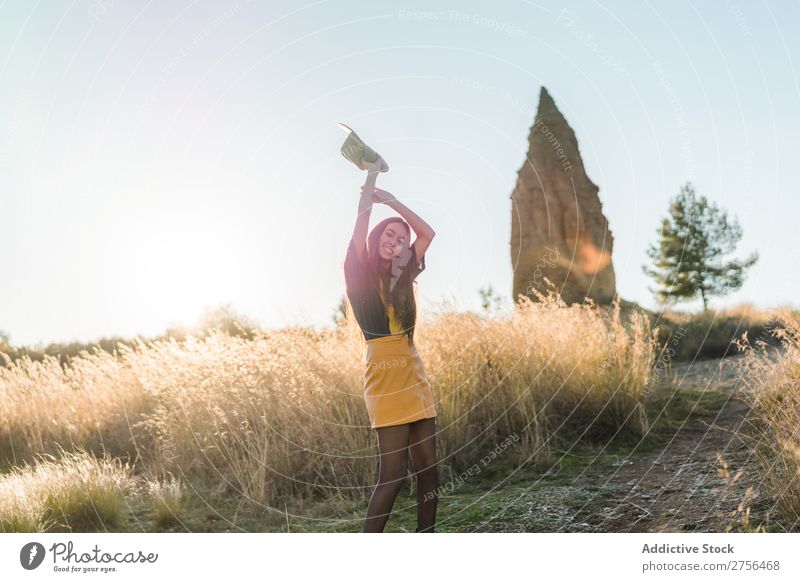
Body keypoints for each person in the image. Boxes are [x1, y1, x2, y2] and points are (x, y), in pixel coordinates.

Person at [343, 158, 439, 533]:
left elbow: (427, 233)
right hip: (383, 378)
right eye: (390, 235)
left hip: (414, 375)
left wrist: (396, 203)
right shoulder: (358, 272)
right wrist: (371, 179)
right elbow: (360, 225)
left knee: (430, 470)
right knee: (394, 476)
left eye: (401, 239)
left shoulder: (404, 275)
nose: (397, 241)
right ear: (376, 237)